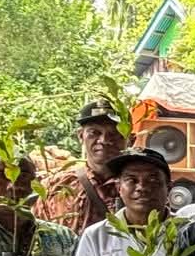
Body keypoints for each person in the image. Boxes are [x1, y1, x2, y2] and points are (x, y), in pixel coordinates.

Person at [35, 99, 127, 234]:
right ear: (80, 136)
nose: (104, 140)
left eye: (115, 133)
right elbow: (36, 235)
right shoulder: (55, 186)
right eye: (94, 132)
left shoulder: (142, 186)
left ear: (129, 138)